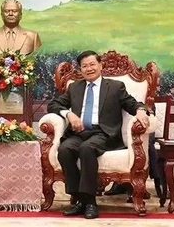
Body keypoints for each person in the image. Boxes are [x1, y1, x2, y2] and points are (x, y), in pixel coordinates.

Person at [47, 50, 150, 219]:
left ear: (100, 65)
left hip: (104, 133)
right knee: (65, 149)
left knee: (87, 149)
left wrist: (140, 110)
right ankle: (80, 199)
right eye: (84, 66)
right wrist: (68, 114)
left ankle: (90, 202)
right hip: (79, 132)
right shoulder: (75, 87)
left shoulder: (115, 87)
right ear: (80, 70)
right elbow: (54, 104)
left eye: (92, 64)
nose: (89, 69)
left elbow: (131, 103)